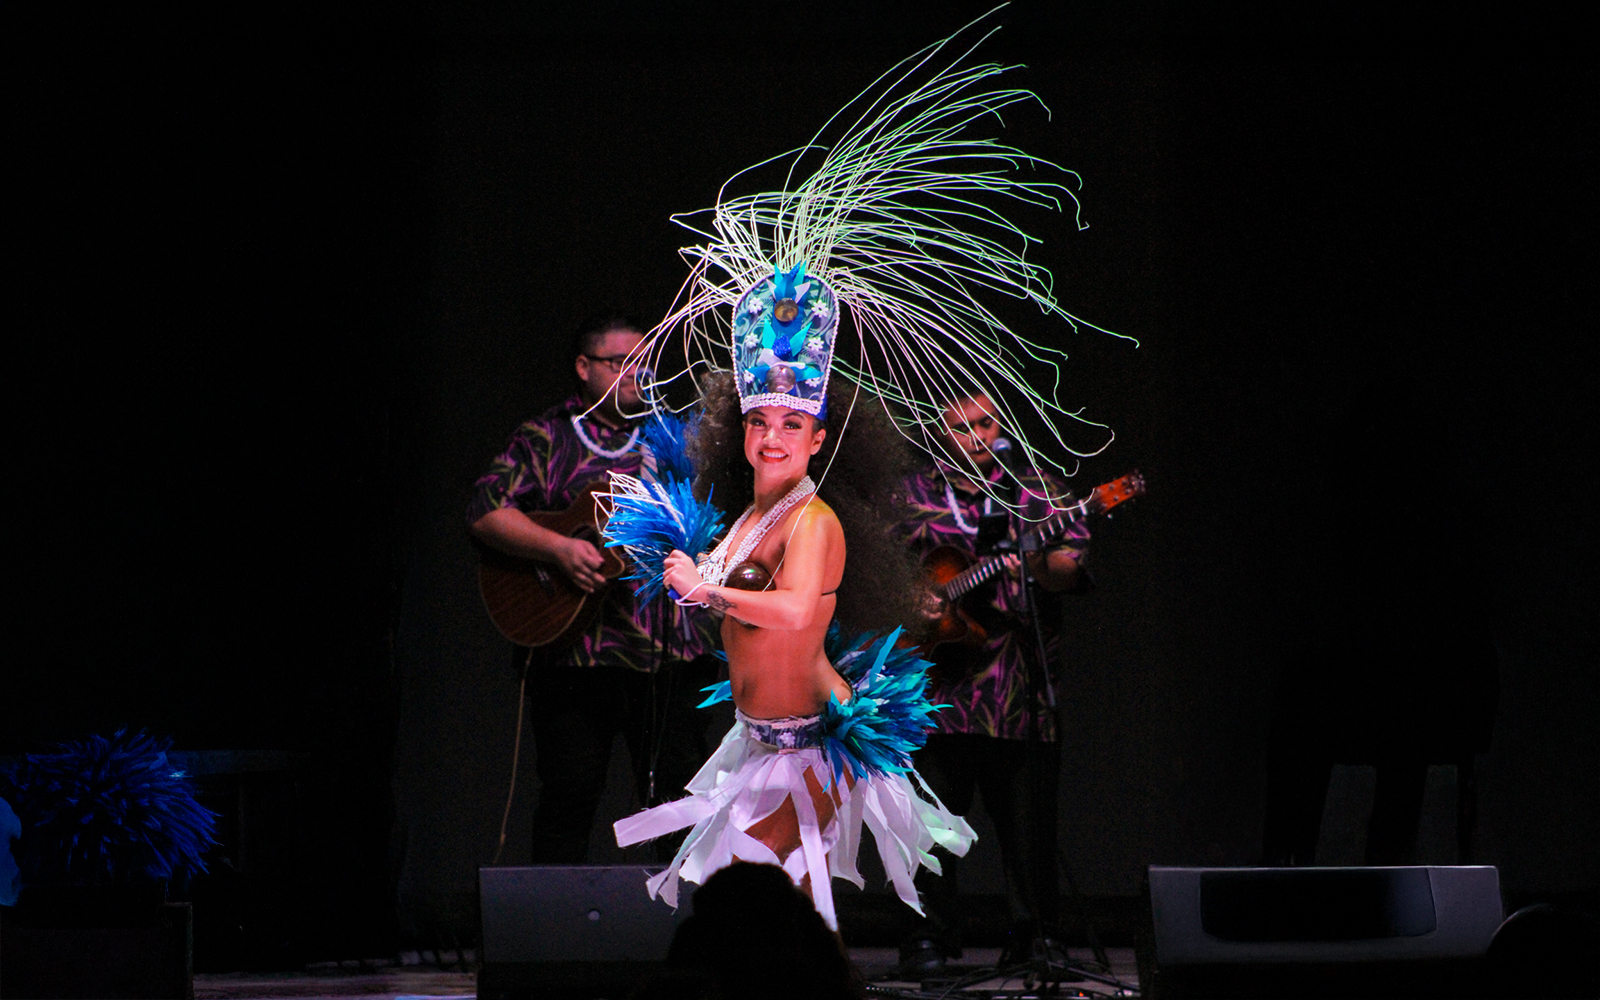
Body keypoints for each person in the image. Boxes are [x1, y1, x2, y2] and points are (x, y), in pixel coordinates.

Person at [610, 269, 974, 933]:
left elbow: (799, 610)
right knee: (778, 908)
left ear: (818, 438)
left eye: (791, 423)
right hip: (757, 743)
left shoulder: (814, 521)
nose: (771, 437)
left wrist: (706, 585)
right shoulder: (752, 517)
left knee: (767, 902)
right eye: (758, 421)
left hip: (805, 748)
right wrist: (693, 567)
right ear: (738, 428)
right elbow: (724, 595)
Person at [467, 314, 718, 863]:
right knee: (570, 793)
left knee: (676, 794)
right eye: (618, 362)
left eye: (644, 362)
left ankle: (678, 929)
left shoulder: (675, 437)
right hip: (577, 652)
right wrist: (558, 548)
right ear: (584, 368)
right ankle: (556, 941)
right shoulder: (548, 436)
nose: (636, 373)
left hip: (669, 652)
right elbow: (486, 511)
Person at [895, 392, 1092, 972]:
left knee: (1028, 827)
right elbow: (872, 575)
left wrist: (1034, 560)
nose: (978, 436)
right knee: (929, 824)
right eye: (962, 427)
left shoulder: (1039, 494)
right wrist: (912, 601)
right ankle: (925, 939)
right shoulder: (908, 495)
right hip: (935, 691)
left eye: (986, 423)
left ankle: (1035, 937)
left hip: (1019, 689)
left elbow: (1068, 574)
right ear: (940, 430)